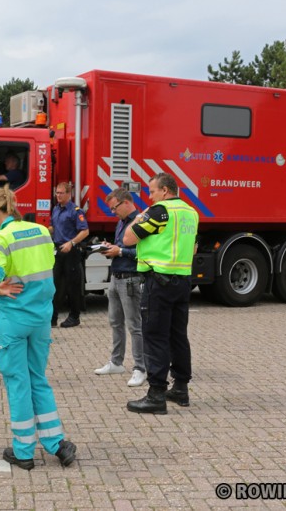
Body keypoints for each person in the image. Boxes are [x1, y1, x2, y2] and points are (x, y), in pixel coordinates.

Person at [0, 187, 77, 470]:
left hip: (14, 321)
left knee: (18, 383)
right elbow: (47, 266)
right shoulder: (40, 231)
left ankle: (23, 452)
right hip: (41, 318)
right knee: (38, 378)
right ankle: (56, 443)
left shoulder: (1, 237)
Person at [123, 172, 199, 414]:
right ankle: (181, 388)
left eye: (152, 191)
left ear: (165, 191)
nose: (150, 196)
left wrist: (139, 217)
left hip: (159, 282)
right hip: (182, 281)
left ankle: (156, 394)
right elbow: (194, 247)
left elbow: (127, 239)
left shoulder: (159, 212)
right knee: (178, 336)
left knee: (155, 337)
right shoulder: (191, 212)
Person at [94, 188, 146, 387]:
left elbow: (143, 252)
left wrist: (121, 251)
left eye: (114, 208)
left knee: (135, 326)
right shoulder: (121, 222)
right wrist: (111, 247)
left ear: (126, 203)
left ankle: (140, 368)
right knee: (115, 322)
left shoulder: (140, 222)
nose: (113, 212)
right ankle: (116, 362)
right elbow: (121, 247)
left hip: (131, 279)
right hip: (116, 278)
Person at [49, 182, 89, 328]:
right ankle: (52, 318)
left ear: (68, 194)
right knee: (55, 285)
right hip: (58, 251)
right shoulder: (55, 209)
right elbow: (54, 227)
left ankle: (74, 316)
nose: (58, 195)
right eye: (57, 193)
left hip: (71, 251)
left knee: (73, 286)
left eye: (61, 193)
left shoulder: (75, 211)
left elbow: (85, 231)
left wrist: (71, 243)